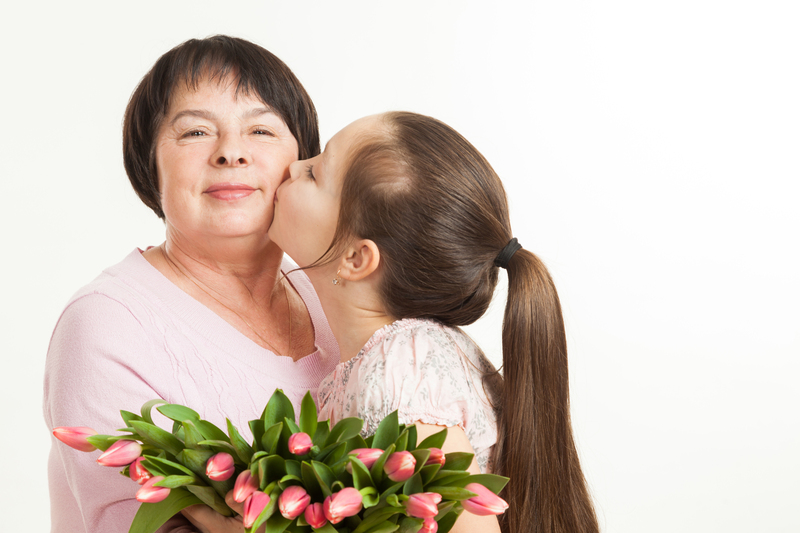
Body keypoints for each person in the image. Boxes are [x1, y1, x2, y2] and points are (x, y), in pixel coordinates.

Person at [43, 36, 339, 533]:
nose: (231, 153)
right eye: (196, 132)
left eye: (262, 130)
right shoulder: (106, 324)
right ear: (149, 164)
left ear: (302, 162)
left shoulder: (335, 291)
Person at [266, 112, 600, 533]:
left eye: (314, 172)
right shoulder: (409, 355)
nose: (294, 165)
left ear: (356, 258)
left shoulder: (401, 377)